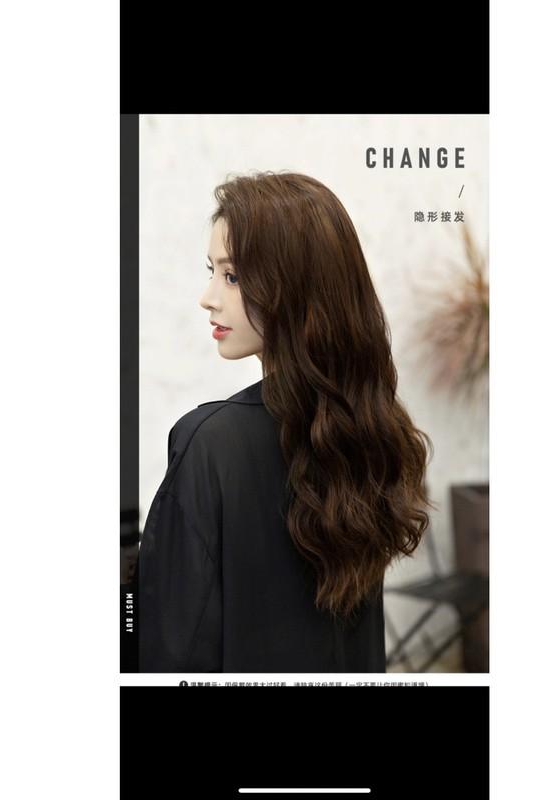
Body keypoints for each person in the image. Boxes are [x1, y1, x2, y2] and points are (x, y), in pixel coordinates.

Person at [138, 171, 435, 672]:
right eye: (212, 271)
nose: (208, 297)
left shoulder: (210, 445)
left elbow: (169, 648)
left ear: (293, 287)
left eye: (232, 276)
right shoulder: (368, 432)